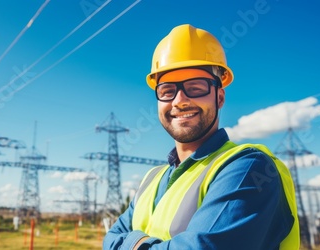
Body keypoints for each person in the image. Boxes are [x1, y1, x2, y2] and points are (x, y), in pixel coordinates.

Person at [103, 24, 300, 250]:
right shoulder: (152, 179)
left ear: (220, 97)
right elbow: (110, 238)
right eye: (167, 91)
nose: (179, 100)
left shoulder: (248, 169)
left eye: (196, 87)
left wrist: (132, 243)